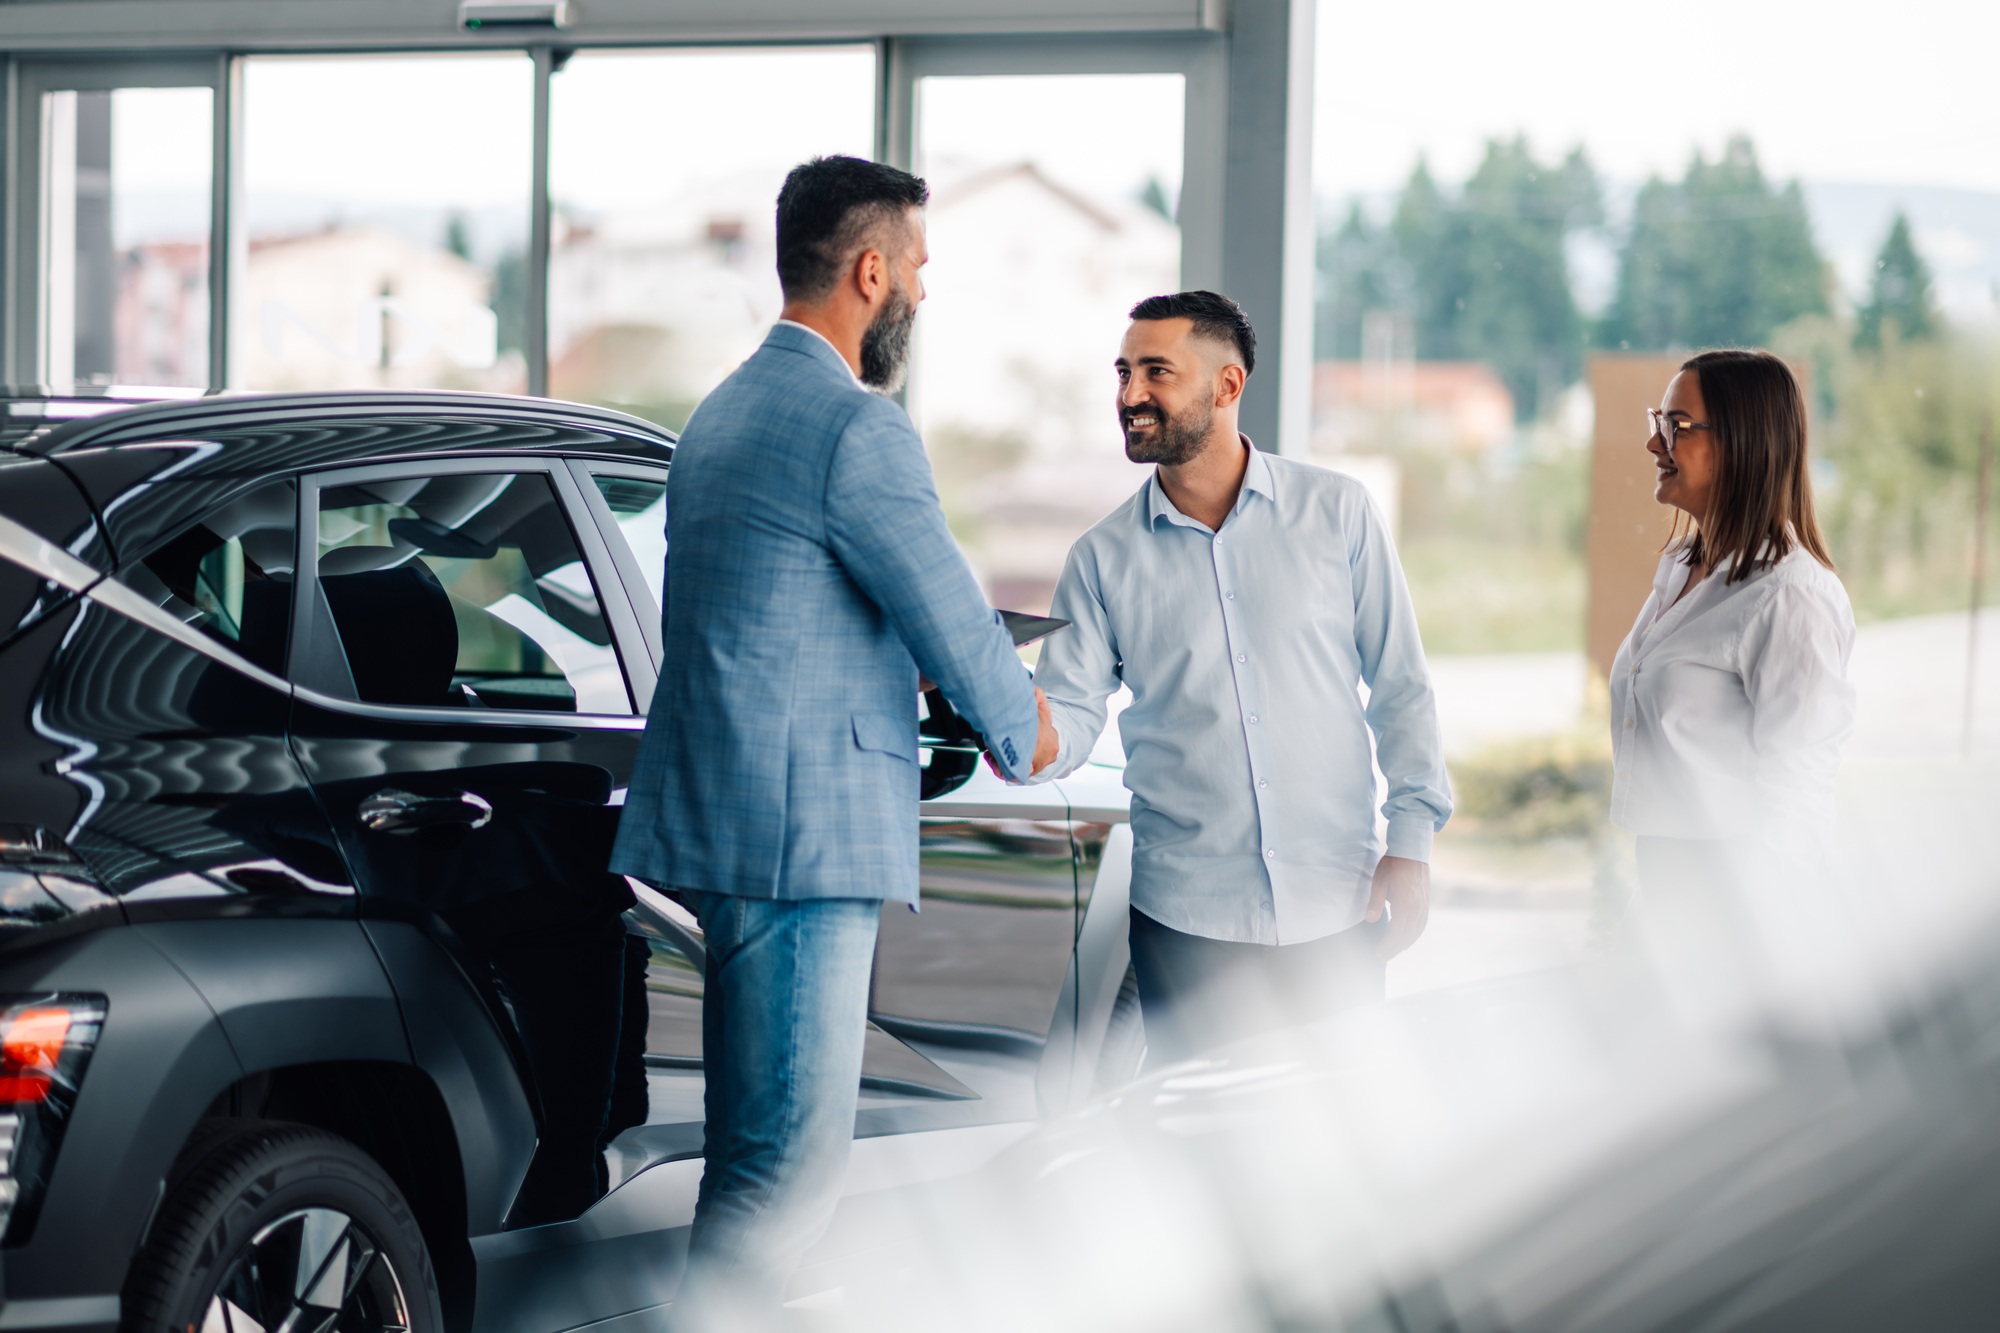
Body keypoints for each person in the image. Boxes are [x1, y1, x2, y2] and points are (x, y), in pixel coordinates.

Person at [608, 155, 1058, 1325]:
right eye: (915, 264)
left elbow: (773, 610)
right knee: (785, 1171)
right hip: (803, 845)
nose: (921, 287)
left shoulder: (725, 410)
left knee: (751, 1151)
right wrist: (1027, 728)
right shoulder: (857, 428)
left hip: (731, 821)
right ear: (870, 271)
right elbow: (954, 616)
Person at [1029, 291, 1451, 1066]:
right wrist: (1019, 728)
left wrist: (1413, 843)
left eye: (1156, 371)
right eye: (1123, 372)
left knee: (1345, 1144)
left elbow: (1402, 686)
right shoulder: (1101, 558)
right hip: (1187, 921)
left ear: (1227, 386)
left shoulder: (1339, 513)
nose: (1129, 395)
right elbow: (1071, 717)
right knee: (1205, 1161)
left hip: (1339, 902)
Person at [1608, 349, 1855, 991]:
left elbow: (1799, 799)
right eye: (1659, 419)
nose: (1653, 441)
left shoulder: (1791, 595)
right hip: (1667, 889)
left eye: (1677, 426)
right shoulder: (1684, 567)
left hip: (1736, 912)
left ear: (1742, 442)